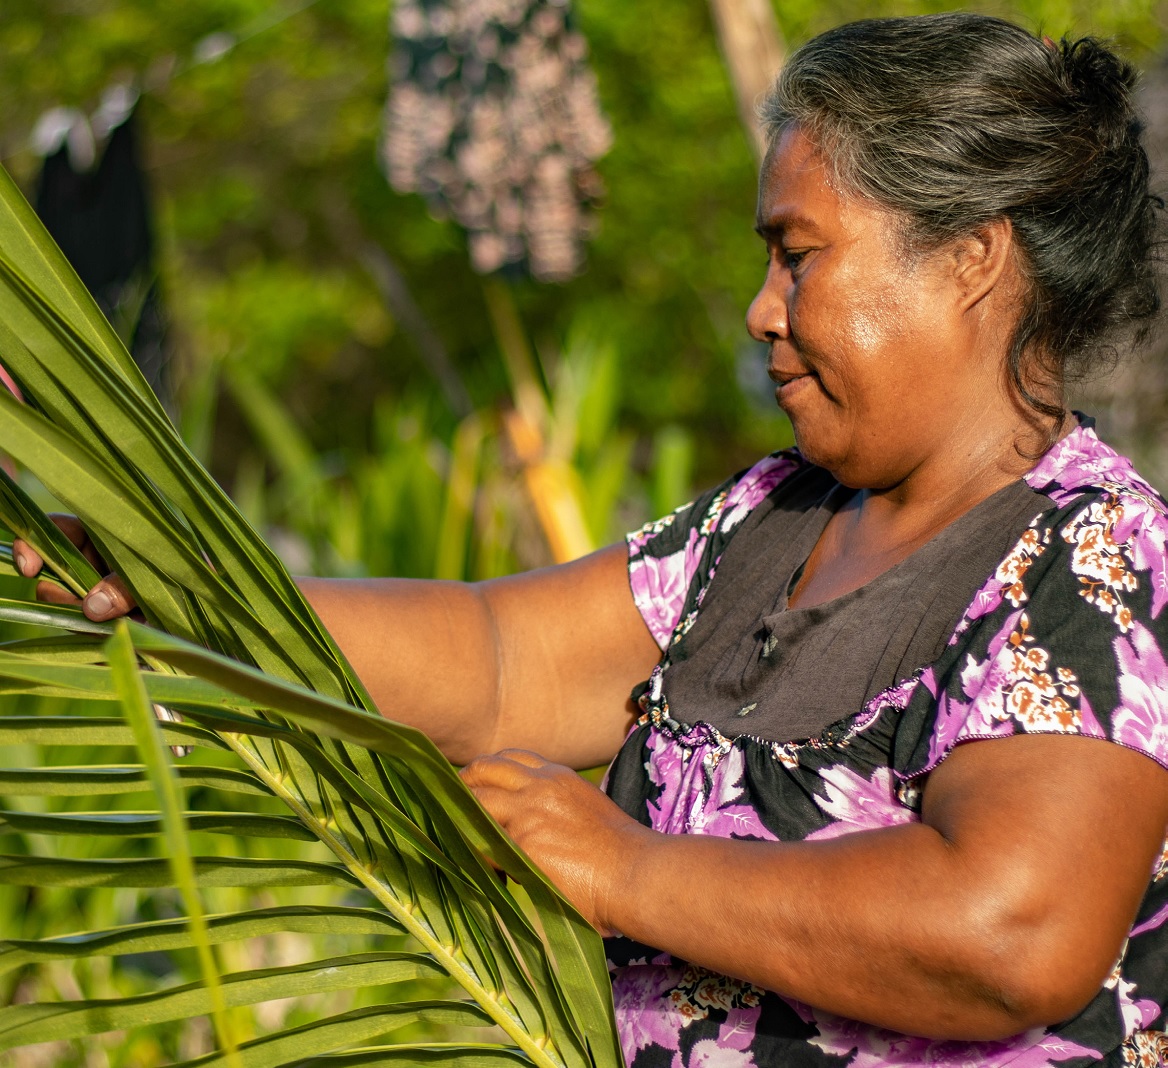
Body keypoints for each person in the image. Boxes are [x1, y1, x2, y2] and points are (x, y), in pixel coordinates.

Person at [14, 12, 1168, 1066]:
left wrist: (628, 871)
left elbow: (1010, 932)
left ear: (972, 254)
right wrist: (187, 582)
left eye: (798, 254)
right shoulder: (767, 522)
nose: (762, 308)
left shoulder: (1091, 560)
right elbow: (498, 658)